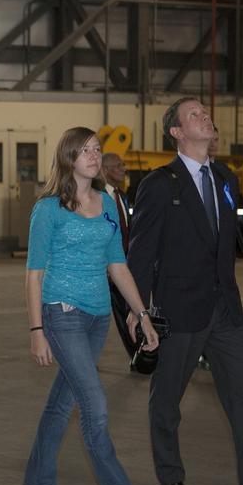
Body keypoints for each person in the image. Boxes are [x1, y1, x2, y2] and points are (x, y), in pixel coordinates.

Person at [126, 97, 243, 485]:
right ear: (176, 132)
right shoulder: (160, 183)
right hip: (178, 309)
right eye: (194, 114)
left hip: (225, 308)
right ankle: (170, 478)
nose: (205, 116)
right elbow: (140, 253)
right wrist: (139, 313)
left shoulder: (225, 177)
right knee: (168, 398)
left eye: (205, 111)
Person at [22, 128, 158, 485]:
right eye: (86, 150)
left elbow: (117, 263)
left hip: (98, 318)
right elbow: (34, 274)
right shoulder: (47, 210)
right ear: (68, 158)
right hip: (61, 314)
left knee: (63, 403)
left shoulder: (109, 204)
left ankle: (36, 483)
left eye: (97, 149)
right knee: (95, 407)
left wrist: (142, 313)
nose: (95, 156)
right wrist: (36, 329)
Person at [100, 152, 138, 368]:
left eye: (123, 164)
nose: (123, 169)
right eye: (117, 165)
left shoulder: (121, 196)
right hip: (101, 269)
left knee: (127, 311)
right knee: (93, 317)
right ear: (104, 170)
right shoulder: (96, 197)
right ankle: (84, 360)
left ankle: (135, 356)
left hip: (121, 266)